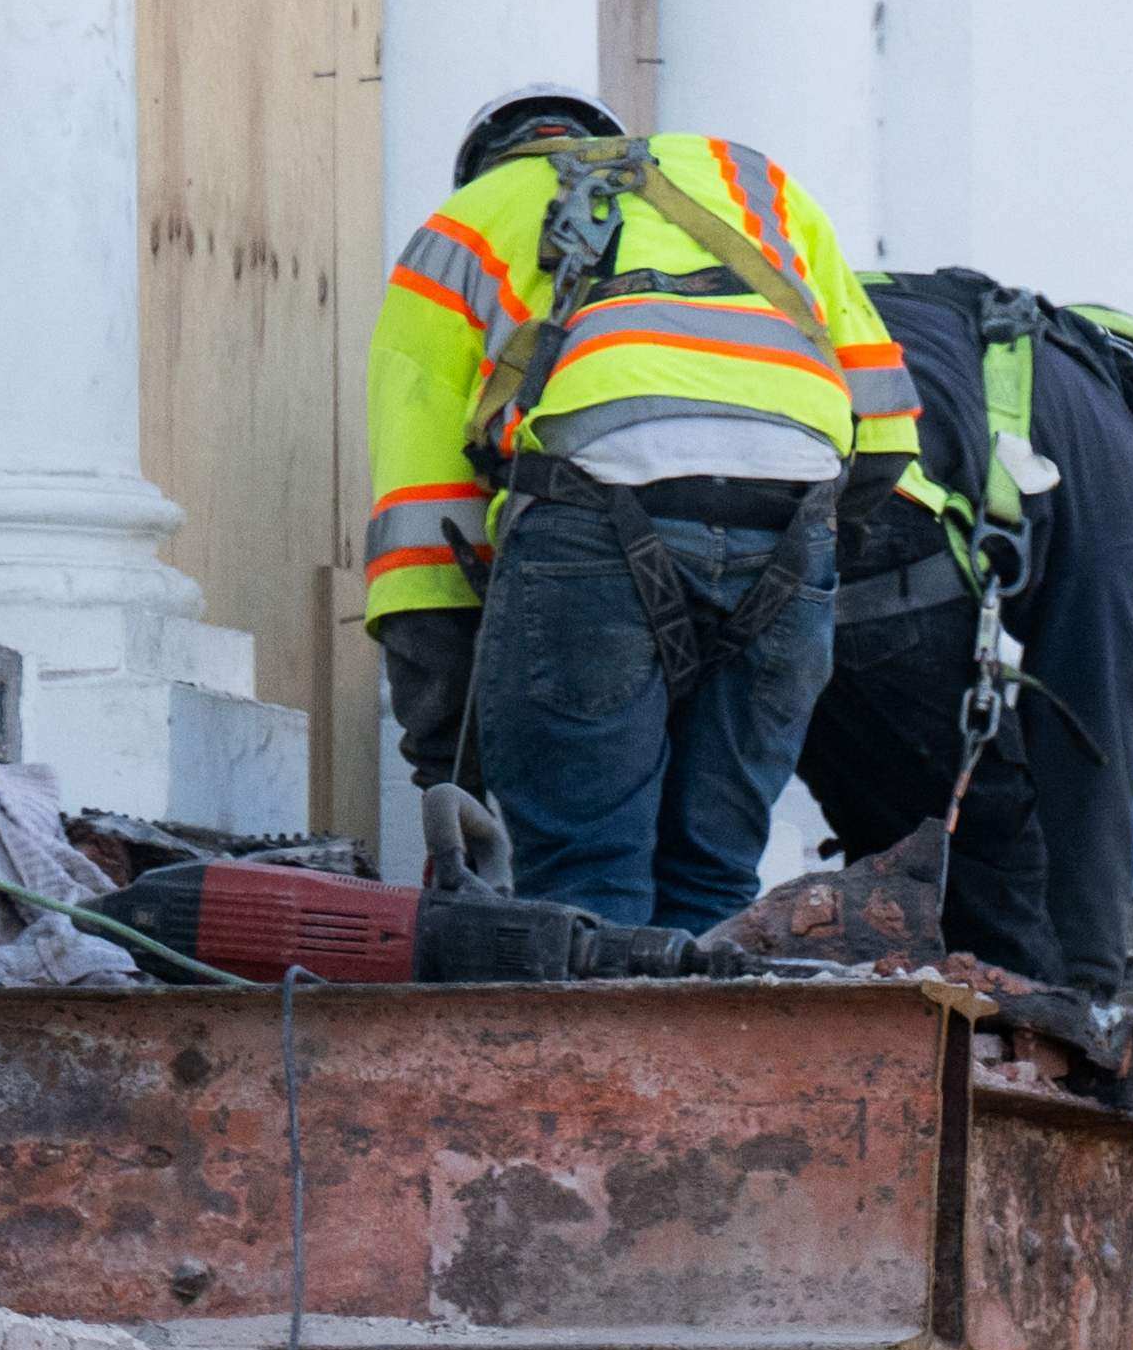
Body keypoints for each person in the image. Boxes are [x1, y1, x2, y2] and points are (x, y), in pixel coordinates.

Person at [367, 86, 920, 932]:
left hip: (590, 511)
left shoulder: (460, 229)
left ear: (487, 162)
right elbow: (883, 441)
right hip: (796, 513)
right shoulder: (751, 182)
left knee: (586, 879)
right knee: (711, 874)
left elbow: (423, 528)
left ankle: (591, 1064)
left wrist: (450, 751)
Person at [794, 271, 1133, 993]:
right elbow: (1091, 729)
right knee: (989, 872)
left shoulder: (952, 323)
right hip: (872, 516)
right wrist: (1087, 977)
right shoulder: (1113, 449)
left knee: (693, 841)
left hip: (685, 472)